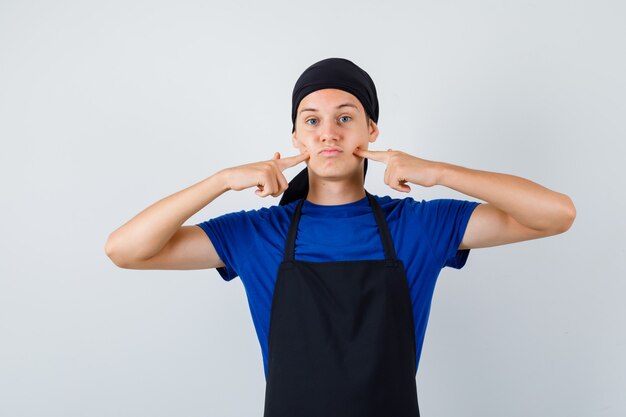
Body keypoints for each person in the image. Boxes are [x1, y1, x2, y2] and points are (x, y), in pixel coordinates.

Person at [105, 57, 576, 417]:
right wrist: (220, 180)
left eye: (345, 117)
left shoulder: (417, 226)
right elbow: (124, 250)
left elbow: (555, 215)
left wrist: (438, 172)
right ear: (296, 138)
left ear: (370, 130)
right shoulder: (256, 234)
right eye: (311, 120)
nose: (327, 132)